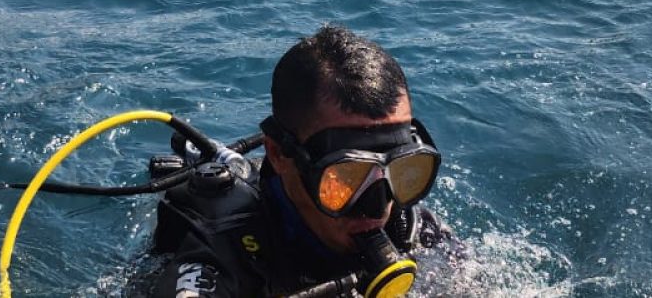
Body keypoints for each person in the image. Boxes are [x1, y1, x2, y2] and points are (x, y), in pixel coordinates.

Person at [145, 25, 452, 298]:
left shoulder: (408, 227)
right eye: (347, 177)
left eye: (401, 170)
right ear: (279, 155)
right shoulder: (222, 247)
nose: (377, 208)